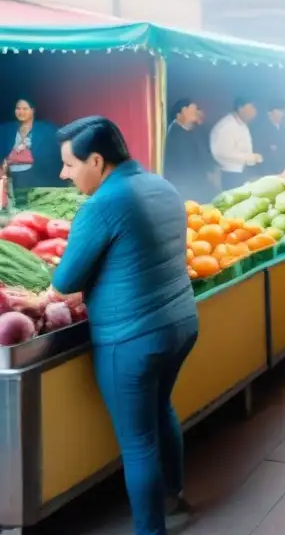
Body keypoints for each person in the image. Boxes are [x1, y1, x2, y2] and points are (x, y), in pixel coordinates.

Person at [50, 117, 198, 535]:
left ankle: (151, 530)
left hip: (132, 337)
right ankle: (174, 497)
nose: (64, 175)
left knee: (138, 443)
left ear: (96, 160)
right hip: (182, 323)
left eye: (69, 165)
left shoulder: (102, 205)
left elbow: (64, 282)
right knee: (160, 409)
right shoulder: (160, 185)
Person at [0, 98, 62, 200]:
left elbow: (56, 152)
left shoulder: (46, 129)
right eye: (18, 108)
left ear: (32, 110)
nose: (21, 112)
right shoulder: (6, 129)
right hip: (11, 176)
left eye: (25, 108)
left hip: (35, 177)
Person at [163, 98, 212, 204]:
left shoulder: (193, 130)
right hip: (184, 188)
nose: (196, 112)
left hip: (198, 186)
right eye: (193, 109)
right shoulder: (172, 133)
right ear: (182, 111)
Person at [209, 97, 262, 190]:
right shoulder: (226, 126)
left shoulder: (243, 125)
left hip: (243, 173)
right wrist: (251, 158)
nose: (254, 111)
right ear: (240, 108)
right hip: (230, 175)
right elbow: (224, 153)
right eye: (251, 107)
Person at [250, 98, 285, 175]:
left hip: (282, 169)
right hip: (266, 171)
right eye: (280, 111)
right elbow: (260, 151)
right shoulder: (261, 129)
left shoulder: (284, 127)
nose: (282, 114)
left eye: (283, 111)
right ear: (270, 112)